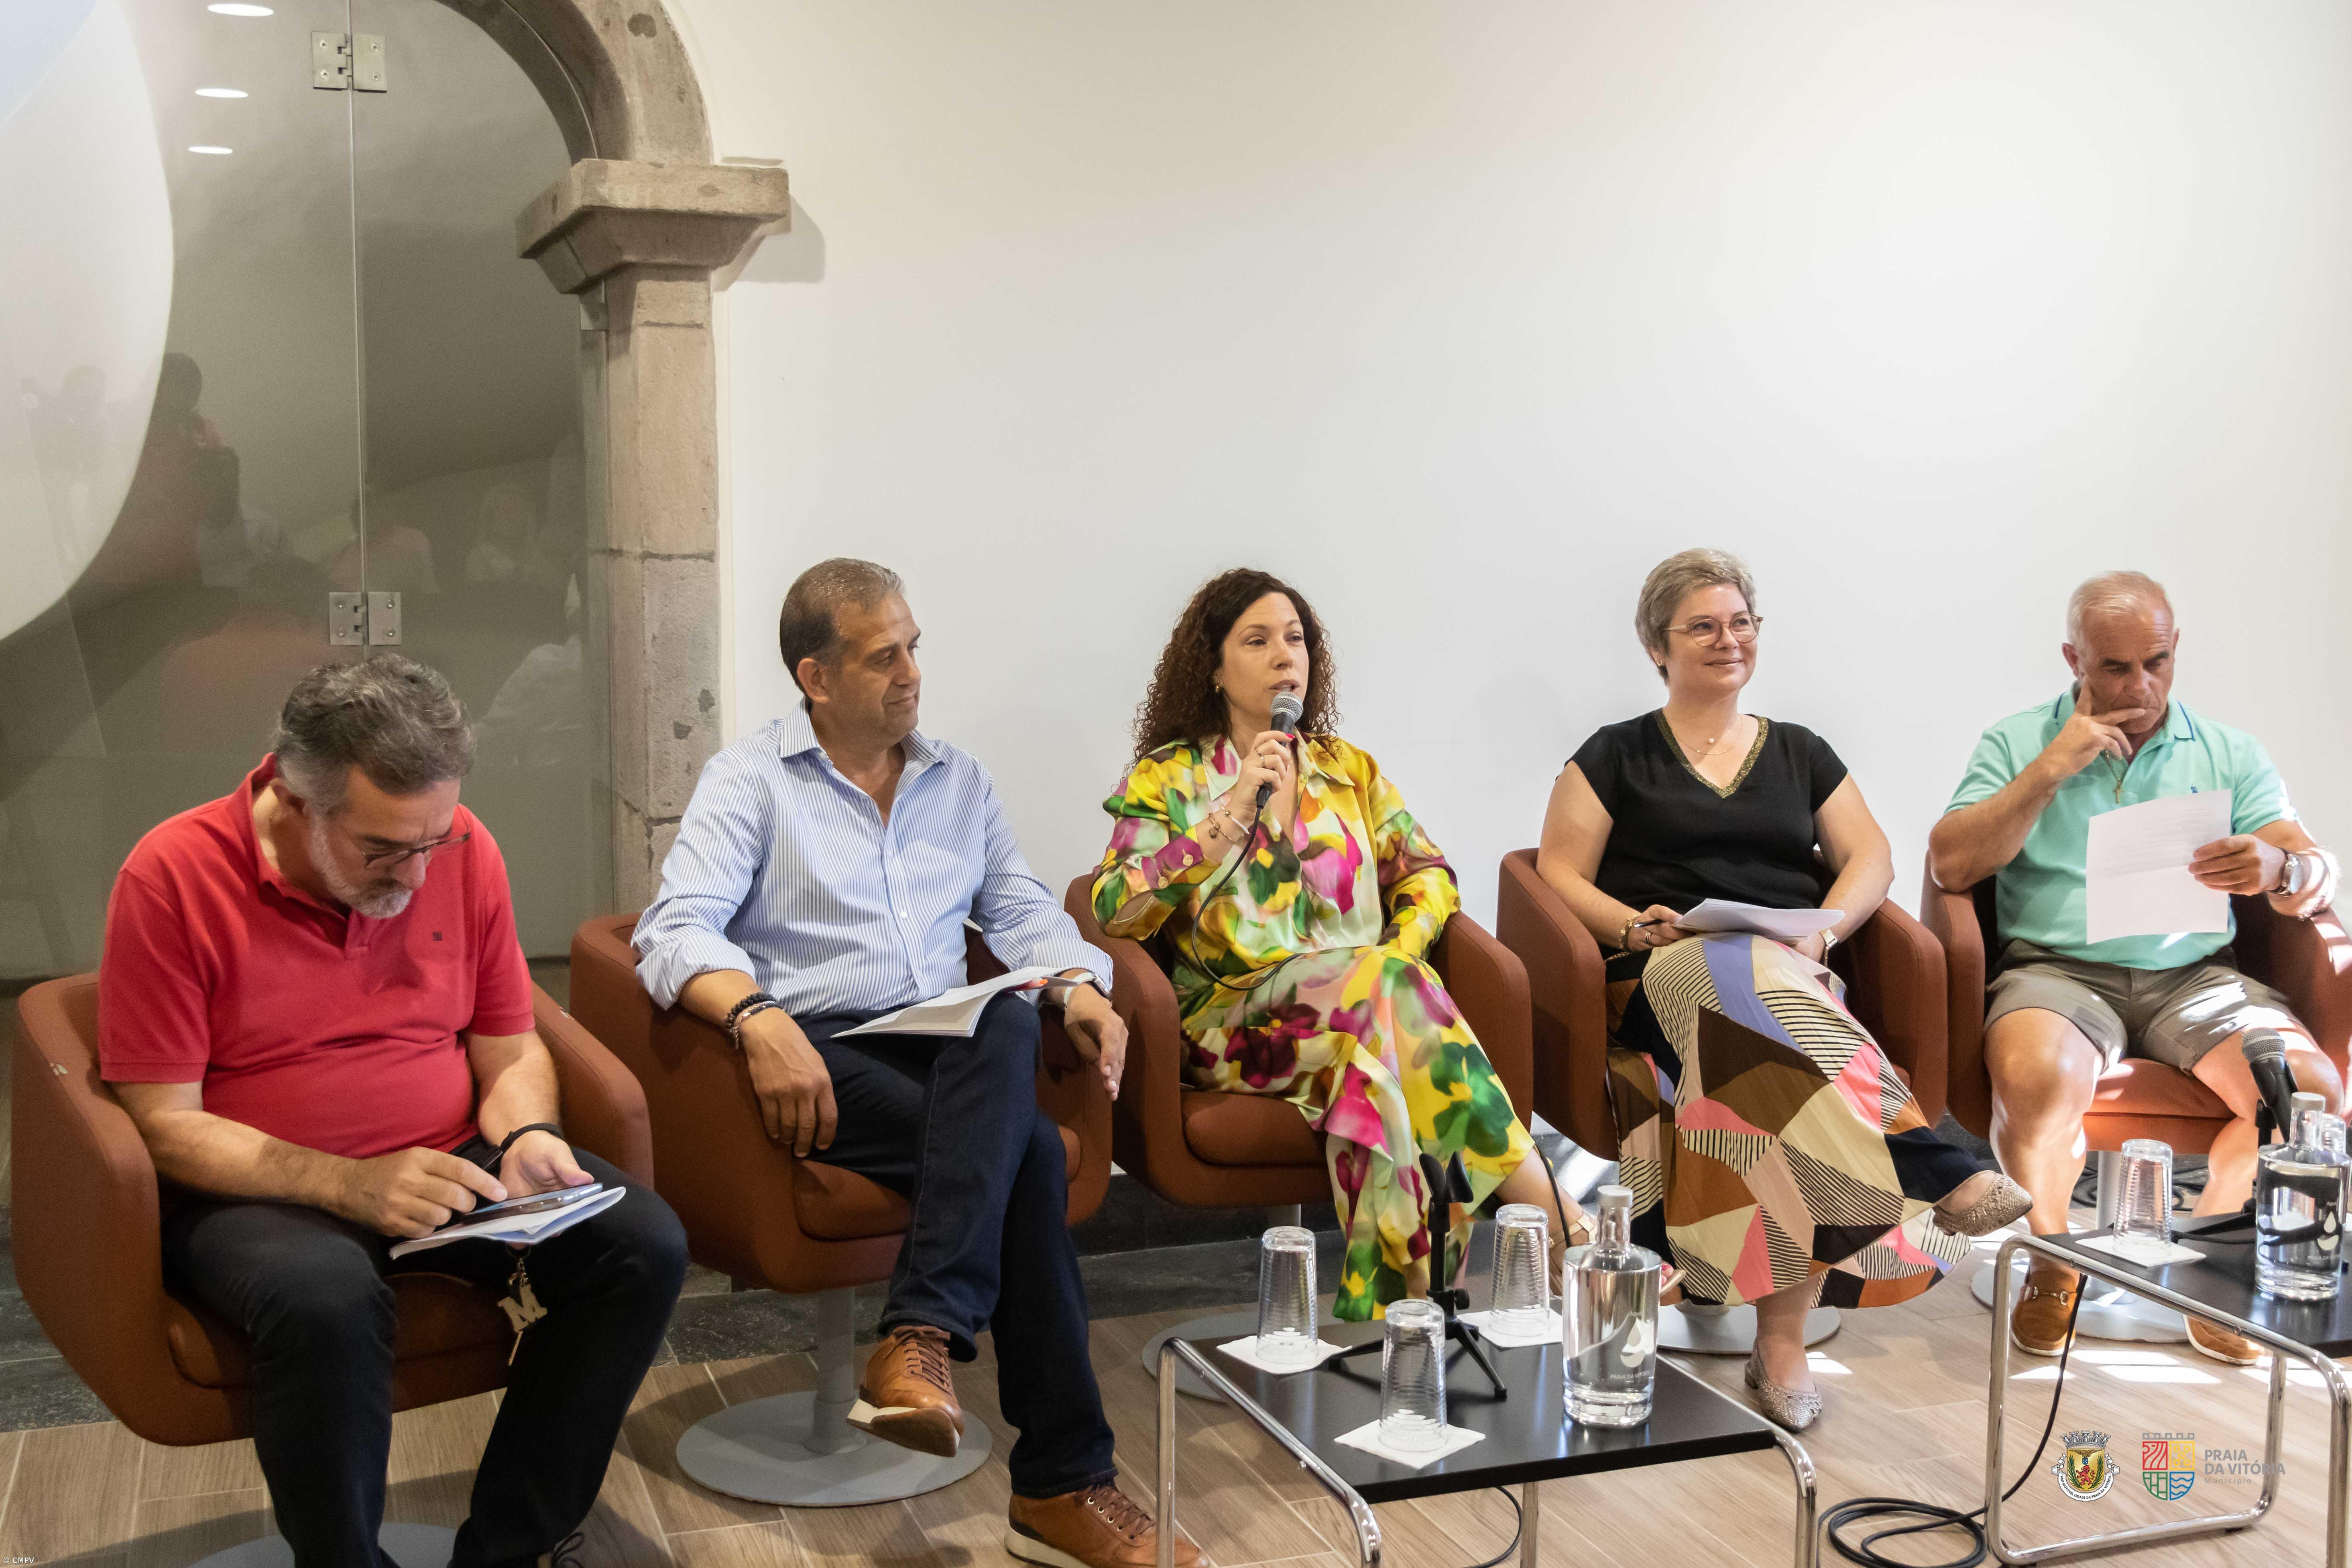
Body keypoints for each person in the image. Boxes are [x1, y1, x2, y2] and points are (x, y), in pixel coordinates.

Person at [633, 559, 1196, 1568]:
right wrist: (756, 1016)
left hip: (938, 1040)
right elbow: (672, 931)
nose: (910, 673)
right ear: (814, 675)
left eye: (913, 647)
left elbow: (1020, 909)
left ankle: (918, 1340)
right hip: (817, 1048)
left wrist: (1074, 986)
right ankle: (1061, 1484)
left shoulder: (958, 779)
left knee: (1012, 1023)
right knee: (1023, 1151)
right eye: (882, 654)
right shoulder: (751, 780)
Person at [98, 655, 688, 1568]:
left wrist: (527, 1130)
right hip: (259, 1189)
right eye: (381, 849)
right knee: (325, 1297)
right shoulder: (172, 874)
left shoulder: (464, 849)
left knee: (640, 1243)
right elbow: (165, 1121)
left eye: (433, 840)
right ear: (295, 801)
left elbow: (510, 1046)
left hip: (448, 1156)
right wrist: (348, 1183)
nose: (414, 874)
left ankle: (510, 1548)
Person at [1535, 548, 2026, 1430]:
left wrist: (1824, 927)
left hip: (1785, 978)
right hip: (1664, 970)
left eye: (1739, 623)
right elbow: (1556, 873)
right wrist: (1627, 925)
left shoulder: (1799, 752)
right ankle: (1926, 1164)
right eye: (1701, 627)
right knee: (1727, 978)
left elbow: (1868, 857)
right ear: (1657, 646)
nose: (1727, 640)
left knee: (1759, 1046)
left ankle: (1780, 1343)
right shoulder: (1613, 754)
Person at [1093, 567, 1585, 1326]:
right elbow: (1116, 908)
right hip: (1230, 1027)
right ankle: (1560, 1227)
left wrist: (1402, 952)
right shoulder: (1172, 776)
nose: (1285, 654)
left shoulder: (1346, 769)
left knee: (1374, 1079)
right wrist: (1228, 815)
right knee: (1384, 997)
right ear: (1214, 669)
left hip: (1367, 1019)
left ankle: (1395, 1328)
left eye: (1296, 638)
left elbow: (1427, 874)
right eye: (1257, 641)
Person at [1929, 569, 2343, 1364]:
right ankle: (2055, 1259)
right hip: (2055, 972)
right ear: (2071, 660)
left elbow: (2313, 869)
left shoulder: (2226, 750)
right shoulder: (2018, 740)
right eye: (2113, 668)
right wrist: (2050, 768)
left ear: (2175, 649)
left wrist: (2274, 866)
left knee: (2308, 1092)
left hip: (2194, 977)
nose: (2138, 685)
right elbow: (1950, 864)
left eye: (2154, 662)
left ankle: (2215, 1268)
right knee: (2034, 1081)